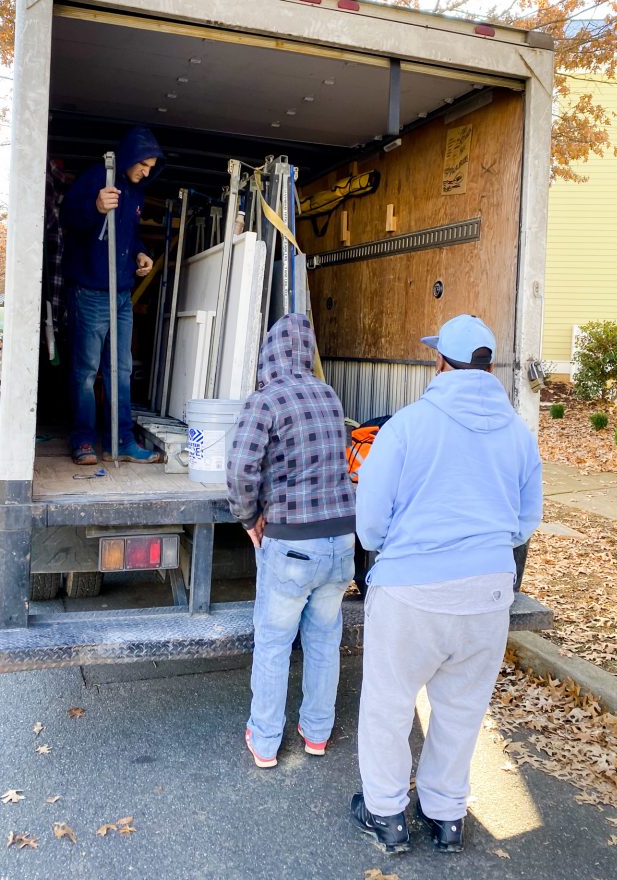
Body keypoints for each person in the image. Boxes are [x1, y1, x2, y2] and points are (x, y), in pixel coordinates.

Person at [351, 314, 542, 854]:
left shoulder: (407, 427)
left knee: (388, 706)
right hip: (487, 594)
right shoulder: (518, 434)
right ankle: (445, 815)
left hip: (412, 592)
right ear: (486, 365)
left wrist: (399, 548)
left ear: (440, 362)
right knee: (461, 708)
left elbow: (370, 522)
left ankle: (386, 814)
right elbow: (526, 521)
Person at [226, 313, 356, 768]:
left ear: (270, 353)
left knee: (275, 641)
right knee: (324, 640)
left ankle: (264, 742)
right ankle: (316, 733)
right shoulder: (327, 394)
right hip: (341, 542)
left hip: (292, 544)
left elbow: (241, 467)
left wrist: (247, 519)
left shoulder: (267, 400)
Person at [61, 126, 164, 465]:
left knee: (121, 371)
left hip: (121, 295)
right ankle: (83, 440)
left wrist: (141, 253)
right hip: (90, 292)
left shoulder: (136, 193)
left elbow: (127, 235)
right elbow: (67, 219)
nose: (146, 172)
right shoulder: (95, 179)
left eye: (151, 167)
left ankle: (120, 442)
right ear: (131, 156)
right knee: (86, 372)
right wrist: (94, 206)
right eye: (144, 165)